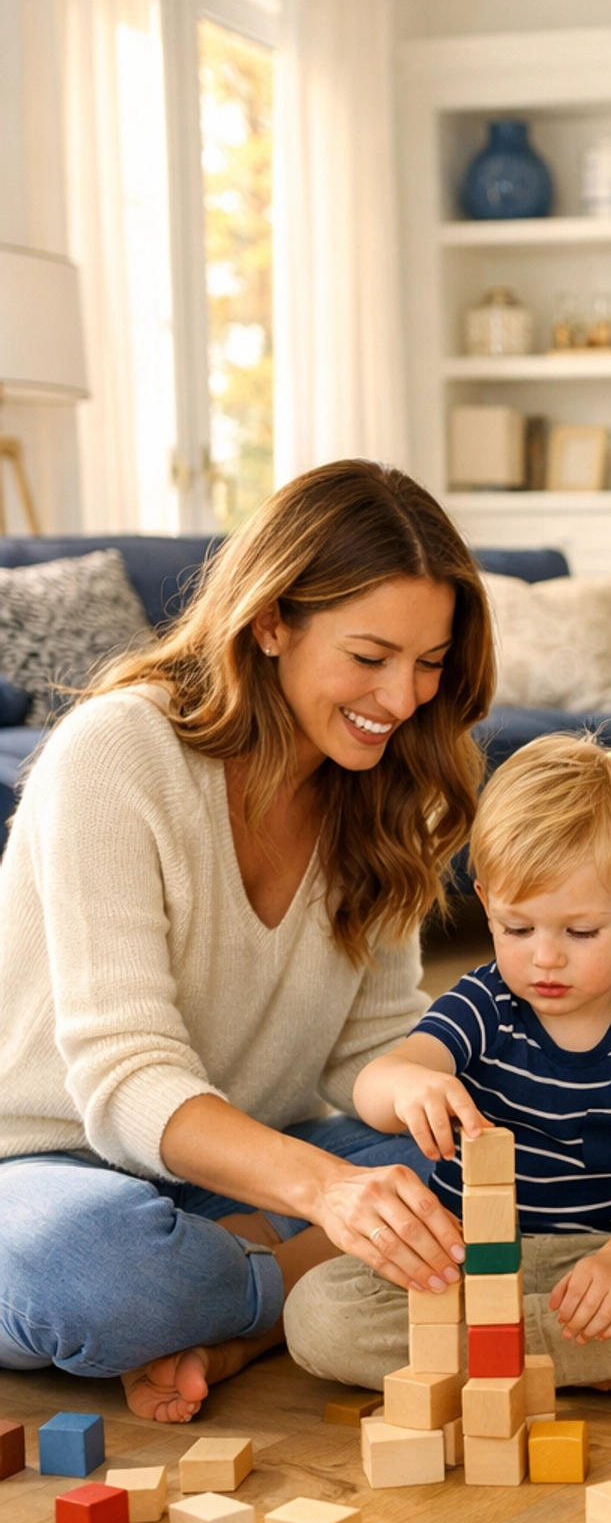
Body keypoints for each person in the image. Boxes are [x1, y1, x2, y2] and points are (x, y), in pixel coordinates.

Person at [0, 461, 487, 1423]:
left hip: (243, 1171)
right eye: (371, 656)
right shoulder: (116, 753)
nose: (402, 698)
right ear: (271, 622)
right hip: (50, 1167)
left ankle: (227, 1326)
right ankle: (272, 1300)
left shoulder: (387, 788)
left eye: (430, 662)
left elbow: (368, 1045)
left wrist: (426, 1078)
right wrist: (330, 1196)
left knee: (488, 1161)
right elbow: (127, 1079)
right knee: (103, 1273)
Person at [286, 734, 611, 1426]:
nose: (545, 959)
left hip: (592, 1258)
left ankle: (515, 1363)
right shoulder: (483, 1004)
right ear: (485, 903)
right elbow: (380, 1082)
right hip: (466, 1263)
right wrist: (408, 1088)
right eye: (517, 926)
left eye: (580, 932)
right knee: (317, 1317)